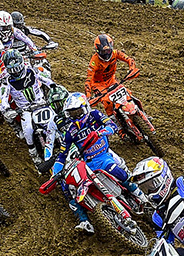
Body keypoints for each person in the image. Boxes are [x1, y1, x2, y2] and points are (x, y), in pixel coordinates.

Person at [50, 92, 148, 229]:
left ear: (85, 108)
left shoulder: (95, 115)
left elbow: (112, 125)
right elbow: (61, 156)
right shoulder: (70, 132)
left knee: (117, 170)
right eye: (72, 114)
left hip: (104, 155)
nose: (76, 116)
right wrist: (55, 173)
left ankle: (140, 195)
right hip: (88, 163)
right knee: (71, 188)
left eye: (78, 112)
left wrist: (101, 132)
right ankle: (84, 220)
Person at [0, 50, 54, 162]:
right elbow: (3, 97)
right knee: (28, 129)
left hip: (41, 103)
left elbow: (45, 79)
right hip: (25, 109)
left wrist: (54, 87)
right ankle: (33, 153)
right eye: (12, 70)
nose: (16, 72)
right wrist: (6, 109)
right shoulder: (6, 81)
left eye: (17, 68)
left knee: (56, 118)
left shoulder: (31, 70)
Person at [86, 34, 137, 118]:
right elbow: (88, 80)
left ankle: (142, 112)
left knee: (128, 94)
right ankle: (114, 121)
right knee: (107, 102)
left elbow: (129, 59)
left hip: (111, 80)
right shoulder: (94, 62)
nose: (106, 54)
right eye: (103, 52)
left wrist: (132, 69)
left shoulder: (115, 53)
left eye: (108, 51)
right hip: (99, 85)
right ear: (97, 51)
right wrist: (88, 96)